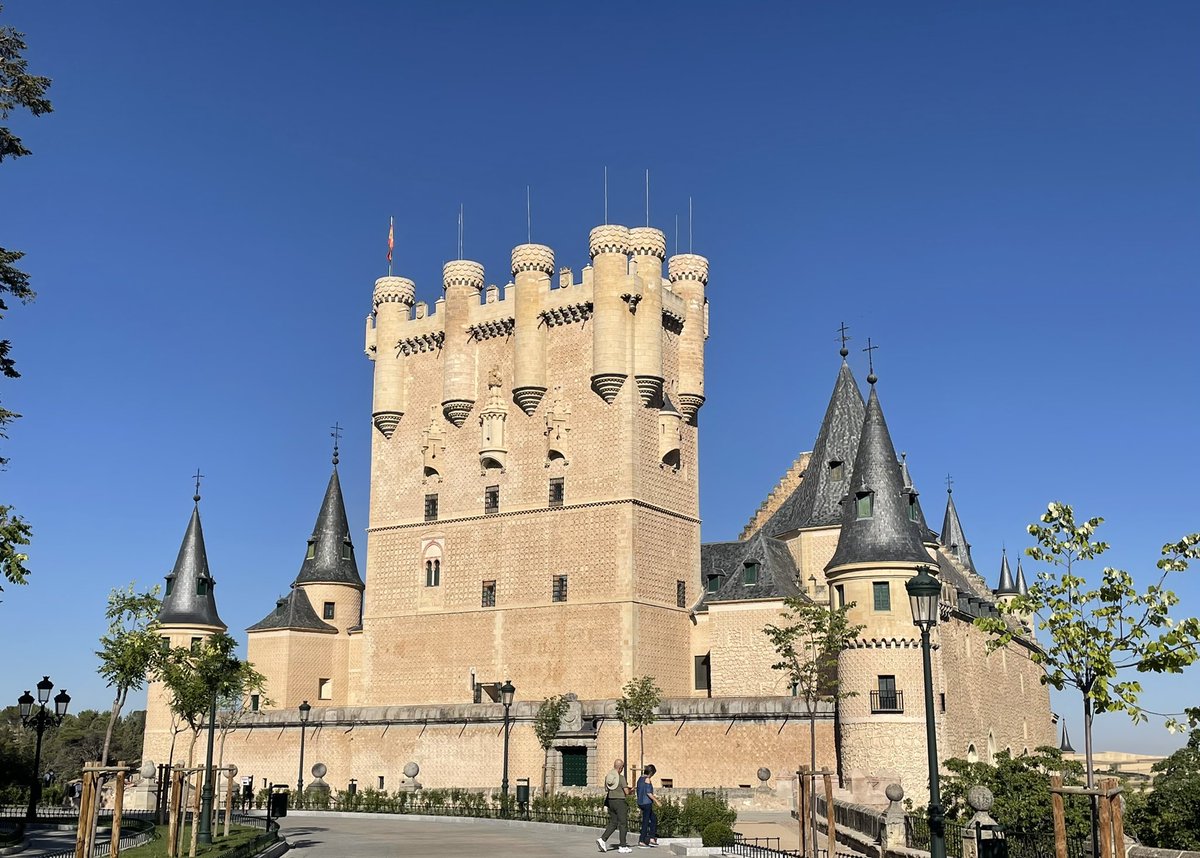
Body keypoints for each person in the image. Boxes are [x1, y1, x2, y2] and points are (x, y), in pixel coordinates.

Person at [597, 758, 633, 853]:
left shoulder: (608, 777)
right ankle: (623, 846)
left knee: (613, 822)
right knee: (623, 824)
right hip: (620, 802)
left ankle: (602, 839)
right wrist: (631, 790)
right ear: (621, 768)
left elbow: (607, 789)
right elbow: (626, 792)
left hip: (610, 801)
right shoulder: (621, 778)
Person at [636, 764, 660, 848]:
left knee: (653, 819)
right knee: (646, 822)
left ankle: (652, 838)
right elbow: (648, 793)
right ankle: (642, 840)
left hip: (641, 802)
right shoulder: (647, 779)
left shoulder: (640, 779)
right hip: (646, 803)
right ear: (651, 773)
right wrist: (656, 801)